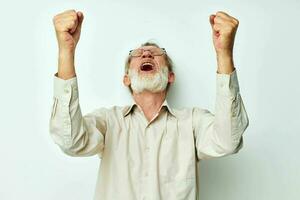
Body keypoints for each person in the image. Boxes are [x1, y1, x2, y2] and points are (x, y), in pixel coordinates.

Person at [49, 9, 249, 200]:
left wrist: (224, 54)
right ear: (126, 79)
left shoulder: (192, 122)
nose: (146, 55)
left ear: (170, 76)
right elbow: (71, 141)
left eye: (155, 53)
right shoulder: (108, 122)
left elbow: (227, 141)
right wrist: (66, 51)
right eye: (137, 54)